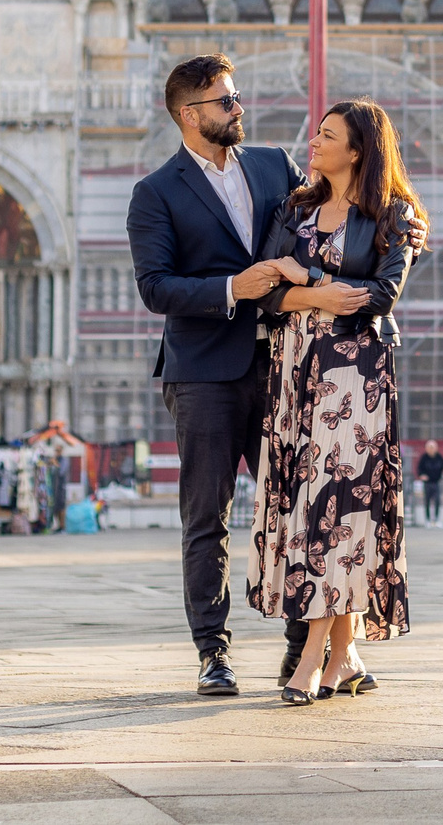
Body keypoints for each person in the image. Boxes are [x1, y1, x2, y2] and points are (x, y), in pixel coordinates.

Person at [127, 53, 310, 698]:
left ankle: (302, 649)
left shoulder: (273, 166)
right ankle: (213, 652)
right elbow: (156, 287)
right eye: (225, 101)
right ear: (188, 114)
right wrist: (233, 286)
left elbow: (329, 224)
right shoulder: (155, 193)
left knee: (292, 510)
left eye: (235, 98)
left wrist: (401, 227)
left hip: (280, 364)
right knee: (207, 516)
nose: (238, 108)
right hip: (203, 373)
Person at [247, 97, 420, 705]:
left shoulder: (395, 215)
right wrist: (308, 292)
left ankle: (312, 659)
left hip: (355, 379)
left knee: (336, 505)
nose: (312, 144)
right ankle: (343, 657)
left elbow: (379, 296)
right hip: (295, 373)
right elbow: (263, 293)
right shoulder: (295, 208)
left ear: (357, 151)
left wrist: (309, 281)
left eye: (326, 136)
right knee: (315, 506)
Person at [415, 441, 443, 528]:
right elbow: (419, 469)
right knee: (427, 502)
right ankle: (428, 520)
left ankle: (436, 520)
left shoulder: (439, 458)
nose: (431, 449)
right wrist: (422, 476)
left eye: (433, 447)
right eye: (430, 448)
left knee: (437, 501)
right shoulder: (424, 458)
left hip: (436, 482)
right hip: (427, 483)